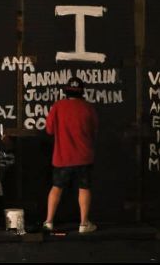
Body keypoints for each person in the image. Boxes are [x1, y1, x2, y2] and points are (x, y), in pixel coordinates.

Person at [43, 76, 99, 234]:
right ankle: (84, 224)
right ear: (82, 92)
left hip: (62, 157)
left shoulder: (58, 106)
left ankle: (48, 222)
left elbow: (49, 130)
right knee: (84, 188)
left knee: (56, 187)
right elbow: (94, 131)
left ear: (66, 91)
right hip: (84, 156)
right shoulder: (88, 108)